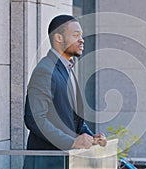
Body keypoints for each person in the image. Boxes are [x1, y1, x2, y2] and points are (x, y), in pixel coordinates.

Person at [23, 15, 106, 169]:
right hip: (47, 162)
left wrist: (89, 136)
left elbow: (72, 118)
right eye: (75, 35)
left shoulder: (68, 69)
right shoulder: (45, 71)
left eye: (81, 35)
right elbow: (34, 119)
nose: (82, 40)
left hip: (65, 161)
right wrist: (72, 142)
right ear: (58, 38)